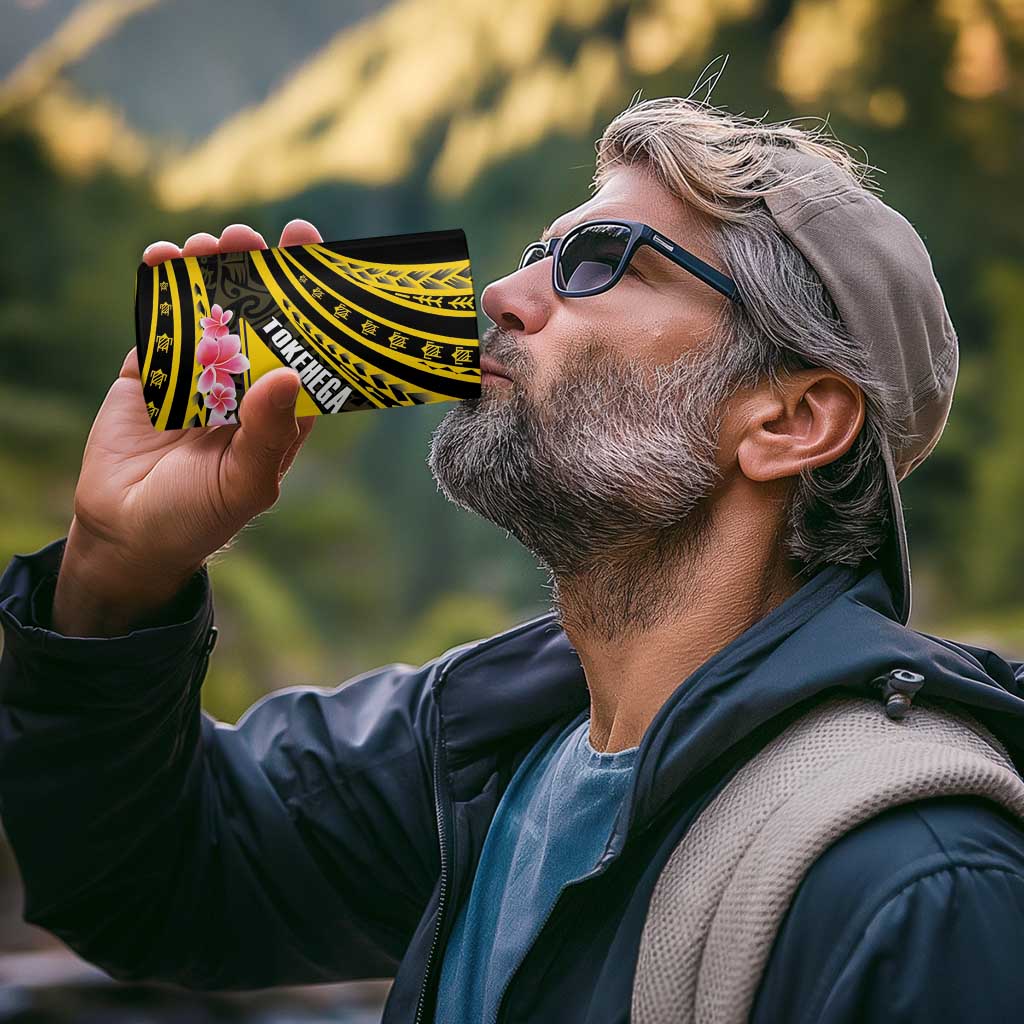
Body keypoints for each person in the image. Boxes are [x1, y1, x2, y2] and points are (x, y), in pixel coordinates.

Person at [2, 95, 1024, 1024]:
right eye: (540, 252)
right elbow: (149, 880)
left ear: (791, 419)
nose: (501, 292)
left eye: (599, 261)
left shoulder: (918, 883)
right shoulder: (479, 748)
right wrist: (115, 571)